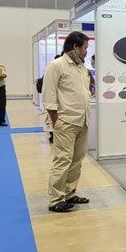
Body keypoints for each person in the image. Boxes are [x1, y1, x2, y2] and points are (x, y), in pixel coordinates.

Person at [42, 31, 92, 213]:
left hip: (82, 120)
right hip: (66, 121)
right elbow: (48, 95)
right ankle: (56, 199)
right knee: (63, 160)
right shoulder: (56, 66)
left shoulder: (81, 67)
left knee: (77, 160)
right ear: (75, 47)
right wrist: (56, 120)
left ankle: (69, 193)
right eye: (85, 47)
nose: (86, 51)